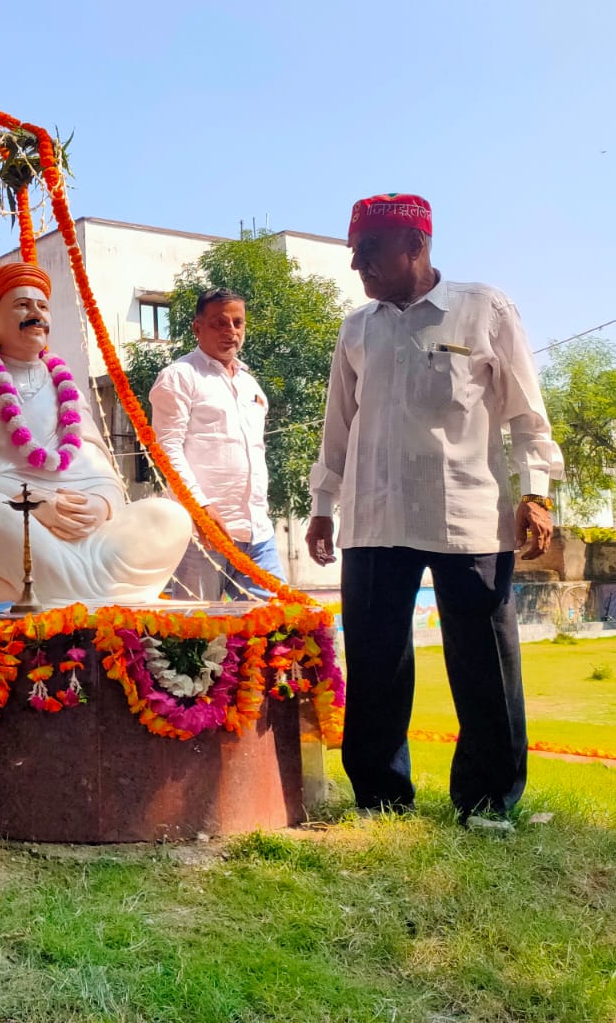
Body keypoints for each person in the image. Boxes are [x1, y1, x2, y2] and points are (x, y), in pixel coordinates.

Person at [305, 193, 563, 826]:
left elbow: (528, 415)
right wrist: (322, 504)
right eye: (354, 252)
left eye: (368, 251)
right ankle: (380, 798)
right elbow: (337, 427)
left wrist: (536, 493)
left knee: (484, 662)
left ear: (415, 246)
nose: (356, 265)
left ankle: (486, 800)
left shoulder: (484, 308)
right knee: (375, 660)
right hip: (373, 516)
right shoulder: (357, 327)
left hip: (468, 514)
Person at [0, 262, 193, 605]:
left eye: (42, 307)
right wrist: (35, 505)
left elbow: (101, 469)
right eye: (23, 305)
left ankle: (53, 593)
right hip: (17, 527)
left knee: (169, 516)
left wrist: (99, 505)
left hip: (89, 536)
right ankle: (101, 596)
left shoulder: (67, 388)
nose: (37, 314)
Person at [150, 289, 282, 600]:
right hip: (200, 535)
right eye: (220, 323)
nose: (231, 332)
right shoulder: (179, 377)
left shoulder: (249, 383)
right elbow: (167, 451)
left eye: (238, 323)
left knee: (273, 632)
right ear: (197, 328)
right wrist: (200, 508)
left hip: (257, 532)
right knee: (196, 635)